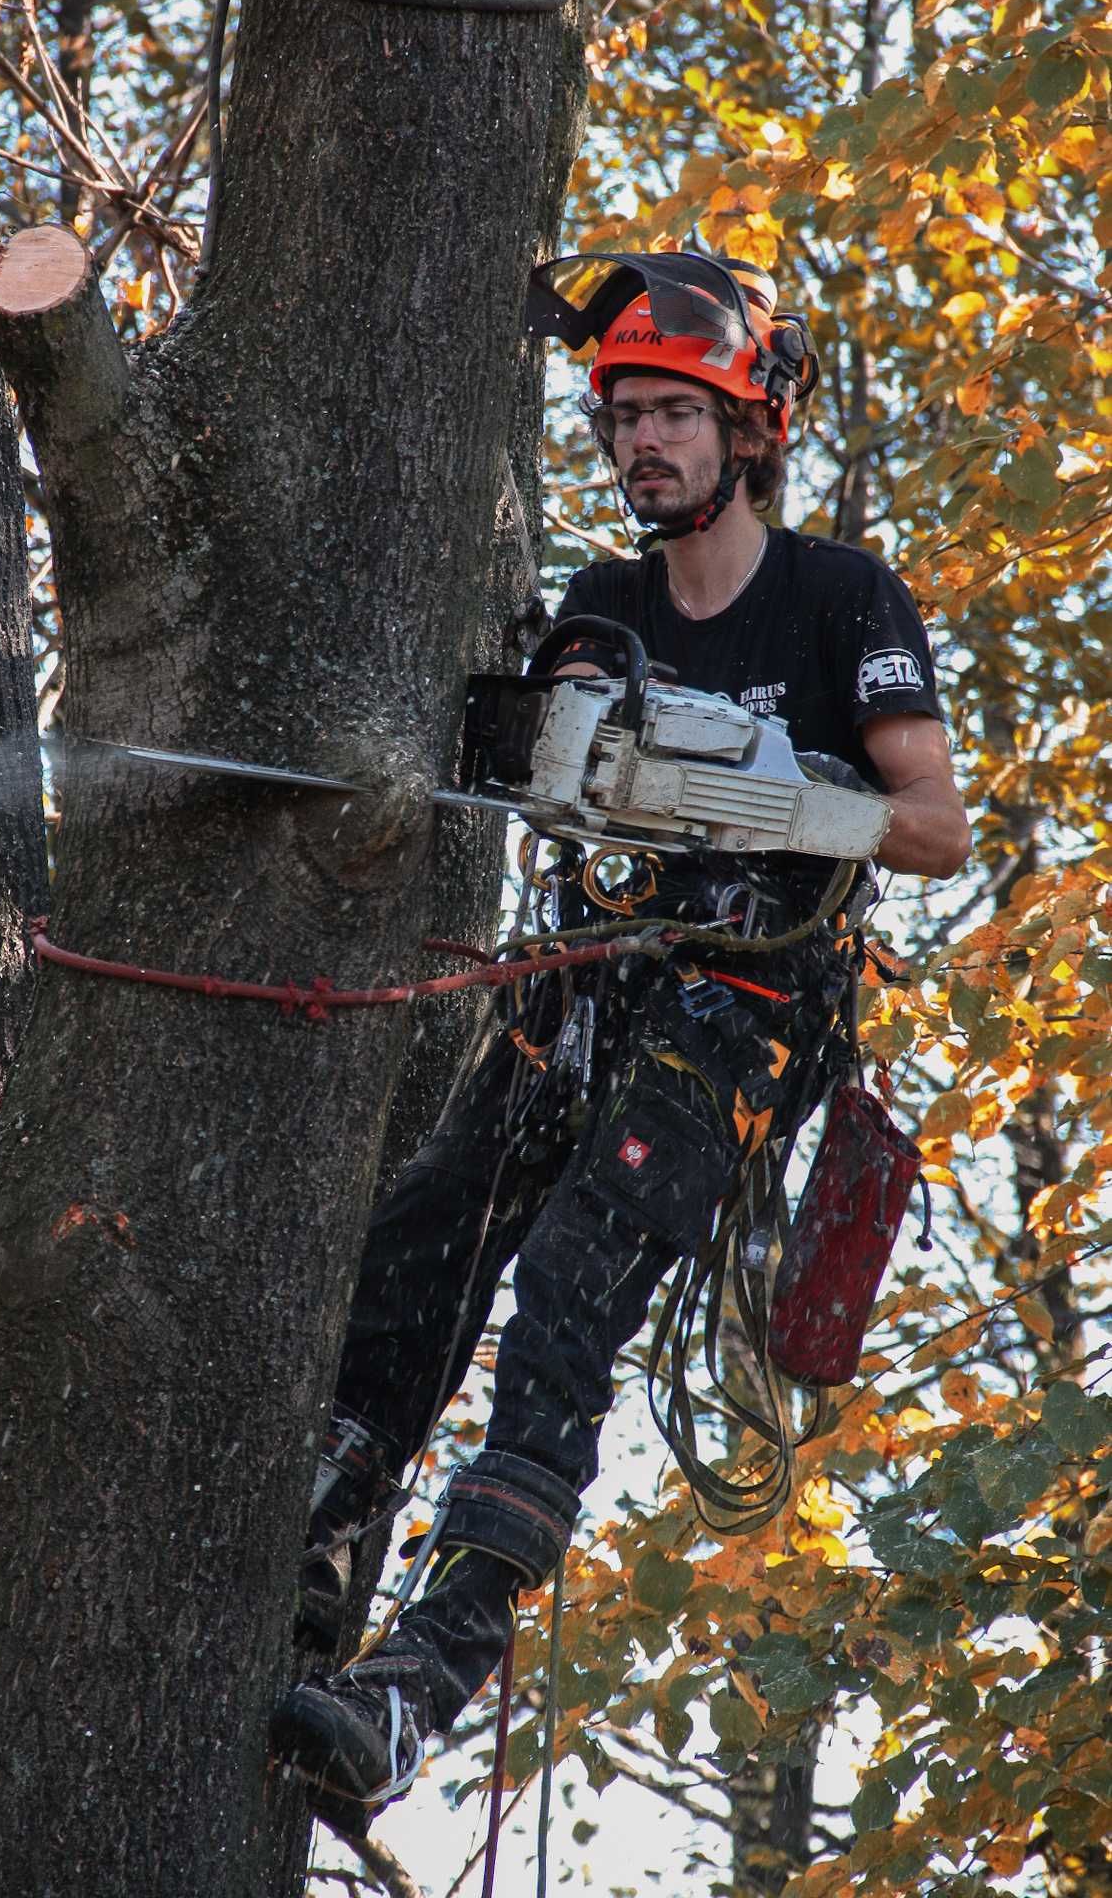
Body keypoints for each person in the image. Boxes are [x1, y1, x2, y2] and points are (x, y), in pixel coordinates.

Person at [271, 251, 970, 1838]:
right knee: (413, 1248)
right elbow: (562, 731)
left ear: (749, 426)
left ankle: (419, 1682)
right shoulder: (604, 596)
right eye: (619, 419)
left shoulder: (837, 597)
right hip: (575, 989)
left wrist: (766, 796)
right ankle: (308, 1551)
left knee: (566, 1296)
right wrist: (572, 739)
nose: (638, 445)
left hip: (738, 1017)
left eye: (671, 415)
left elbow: (931, 829)